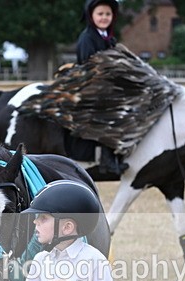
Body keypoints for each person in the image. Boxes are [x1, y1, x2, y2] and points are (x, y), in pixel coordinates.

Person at [73, 0, 128, 179]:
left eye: (108, 14)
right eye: (100, 14)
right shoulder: (87, 38)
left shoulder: (109, 38)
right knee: (109, 109)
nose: (104, 17)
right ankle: (106, 159)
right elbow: (89, 66)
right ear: (91, 16)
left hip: (106, 84)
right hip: (89, 85)